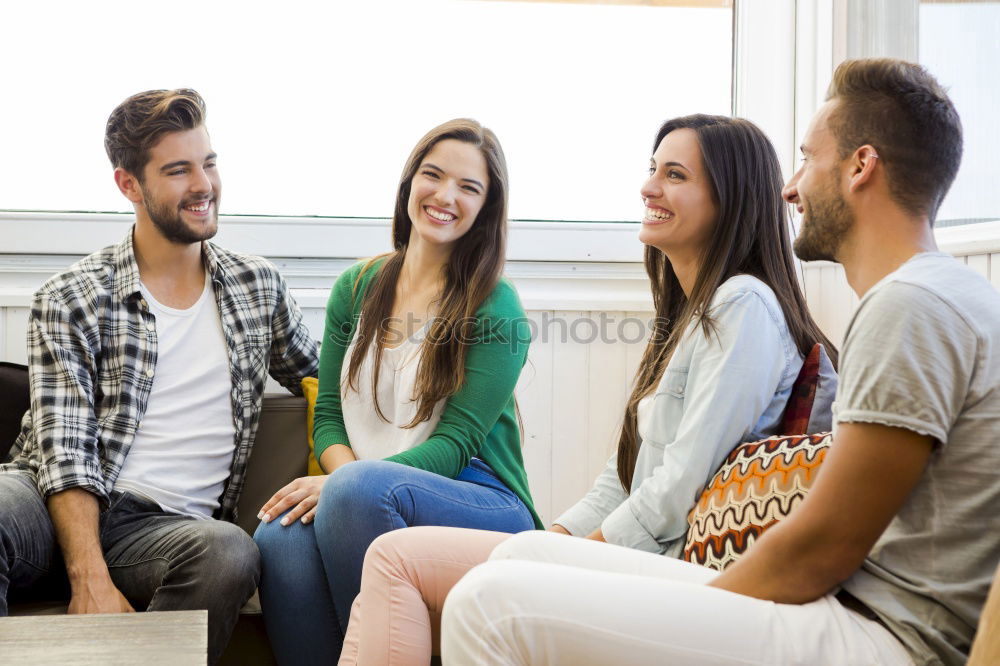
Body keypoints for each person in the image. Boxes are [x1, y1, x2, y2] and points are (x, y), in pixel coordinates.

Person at [442, 58, 999, 666]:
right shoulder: (934, 297)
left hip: (887, 635)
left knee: (487, 603)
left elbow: (826, 544)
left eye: (808, 160)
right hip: (848, 610)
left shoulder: (910, 304)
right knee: (520, 559)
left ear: (860, 167)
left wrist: (699, 612)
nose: (790, 189)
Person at [337, 114, 838, 665]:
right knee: (392, 557)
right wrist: (557, 538)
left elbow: (677, 488)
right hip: (641, 554)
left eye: (674, 175)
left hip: (670, 569)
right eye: (653, 170)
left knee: (398, 562)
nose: (649, 187)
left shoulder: (744, 306)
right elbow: (622, 476)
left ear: (730, 198)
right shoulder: (692, 315)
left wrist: (567, 555)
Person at [0, 89, 319, 664]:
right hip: (48, 503)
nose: (204, 184)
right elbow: (65, 452)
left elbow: (332, 384)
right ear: (129, 185)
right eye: (178, 170)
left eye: (209, 162)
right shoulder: (72, 298)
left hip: (161, 533)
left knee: (229, 552)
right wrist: (88, 578)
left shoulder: (257, 288)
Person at [252, 118, 540, 664]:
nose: (445, 195)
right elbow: (330, 416)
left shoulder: (496, 307)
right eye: (433, 175)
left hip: (476, 492)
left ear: (486, 208)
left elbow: (455, 445)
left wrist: (351, 484)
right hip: (362, 485)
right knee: (278, 539)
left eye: (468, 187)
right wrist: (344, 481)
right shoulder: (357, 287)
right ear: (409, 183)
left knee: (358, 494)